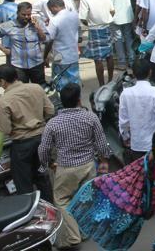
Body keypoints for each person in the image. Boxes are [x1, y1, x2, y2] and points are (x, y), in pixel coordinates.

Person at [38, 83, 110, 250]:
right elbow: (101, 142)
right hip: (88, 166)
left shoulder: (53, 123)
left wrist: (47, 163)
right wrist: (105, 160)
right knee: (84, 198)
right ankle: (84, 232)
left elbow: (43, 149)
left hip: (65, 168)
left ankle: (73, 235)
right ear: (79, 100)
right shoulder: (90, 117)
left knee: (62, 200)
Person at [0, 64, 54, 200]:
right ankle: (50, 210)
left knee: (23, 183)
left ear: (3, 81)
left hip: (22, 145)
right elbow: (50, 111)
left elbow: (6, 129)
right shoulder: (36, 88)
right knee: (42, 177)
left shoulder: (3, 101)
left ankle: (29, 213)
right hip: (42, 139)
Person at [119, 58, 155, 163]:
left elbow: (123, 121)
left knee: (140, 175)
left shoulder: (125, 93)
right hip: (154, 145)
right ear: (150, 72)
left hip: (136, 143)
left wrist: (126, 137)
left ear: (133, 73)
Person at [0, 2, 47, 84]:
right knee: (21, 90)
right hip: (18, 66)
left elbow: (45, 39)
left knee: (40, 88)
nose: (26, 17)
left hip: (36, 64)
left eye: (28, 14)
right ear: (17, 13)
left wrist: (38, 28)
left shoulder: (37, 23)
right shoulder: (8, 26)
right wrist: (4, 50)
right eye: (23, 14)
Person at [78, 0, 115, 86]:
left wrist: (90, 23)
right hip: (107, 27)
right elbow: (112, 10)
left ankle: (101, 84)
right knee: (109, 55)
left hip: (95, 29)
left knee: (98, 58)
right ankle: (110, 80)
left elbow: (83, 18)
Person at [101, 0, 136, 71]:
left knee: (118, 38)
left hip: (114, 16)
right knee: (128, 37)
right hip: (127, 13)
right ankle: (132, 60)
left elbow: (106, 2)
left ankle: (122, 62)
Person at [44, 0, 81, 90]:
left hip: (60, 57)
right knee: (74, 81)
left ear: (54, 7)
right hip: (73, 54)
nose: (51, 12)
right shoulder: (75, 14)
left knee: (60, 84)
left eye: (50, 10)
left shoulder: (55, 20)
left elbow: (49, 39)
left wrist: (45, 55)